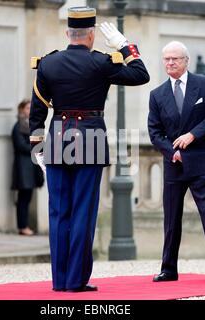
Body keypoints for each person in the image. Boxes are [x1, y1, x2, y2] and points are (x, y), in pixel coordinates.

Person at [29, 6, 149, 292]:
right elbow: (140, 74)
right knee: (83, 210)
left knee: (59, 212)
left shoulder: (48, 63)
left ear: (68, 33)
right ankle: (76, 280)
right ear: (92, 35)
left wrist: (37, 148)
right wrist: (124, 45)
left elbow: (37, 111)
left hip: (58, 137)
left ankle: (59, 281)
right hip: (91, 139)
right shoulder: (101, 62)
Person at [148, 41, 205, 283]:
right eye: (167, 59)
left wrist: (192, 134)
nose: (170, 63)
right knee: (171, 218)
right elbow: (154, 132)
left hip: (202, 162)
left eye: (175, 58)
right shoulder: (157, 95)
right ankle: (168, 269)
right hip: (173, 164)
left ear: (186, 61)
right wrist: (170, 151)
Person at [11, 99, 44, 236]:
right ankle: (22, 226)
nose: (29, 110)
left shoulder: (32, 126)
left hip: (31, 167)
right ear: (21, 110)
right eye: (27, 108)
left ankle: (24, 226)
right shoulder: (18, 126)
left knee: (27, 198)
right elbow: (20, 146)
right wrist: (35, 147)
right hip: (23, 167)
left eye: (31, 108)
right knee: (23, 199)